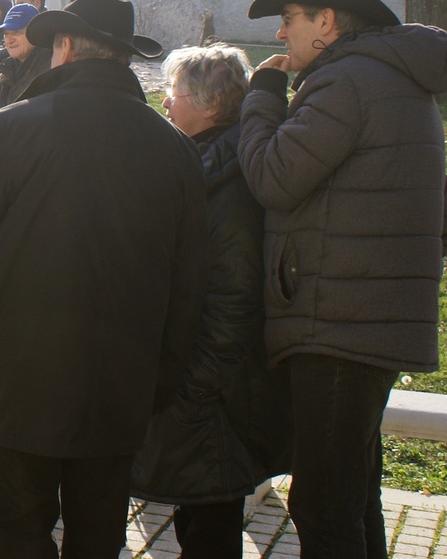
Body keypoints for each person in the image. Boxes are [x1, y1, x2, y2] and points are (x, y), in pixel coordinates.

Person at [0, 0, 208, 558]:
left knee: (21, 533)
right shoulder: (174, 146)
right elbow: (189, 283)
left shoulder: (13, 128)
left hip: (21, 377)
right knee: (97, 535)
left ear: (64, 48)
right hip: (120, 381)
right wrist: (160, 379)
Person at [238, 0, 447, 557]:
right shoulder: (390, 76)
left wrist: (262, 96)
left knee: (323, 503)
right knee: (351, 495)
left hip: (339, 323)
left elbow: (273, 177)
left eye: (289, 18)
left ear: (326, 20)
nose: (281, 34)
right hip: (365, 316)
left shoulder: (347, 81)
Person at [132, 43, 291, 559]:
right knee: (199, 513)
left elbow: (235, 294)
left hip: (216, 387)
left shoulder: (228, 177)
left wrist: (195, 384)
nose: (165, 102)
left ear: (212, 104)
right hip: (205, 381)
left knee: (210, 521)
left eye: (174, 92)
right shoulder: (205, 160)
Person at [0, 4, 50, 107]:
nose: (9, 40)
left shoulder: (47, 70)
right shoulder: (9, 67)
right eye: (6, 34)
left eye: (16, 33)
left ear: (36, 33)